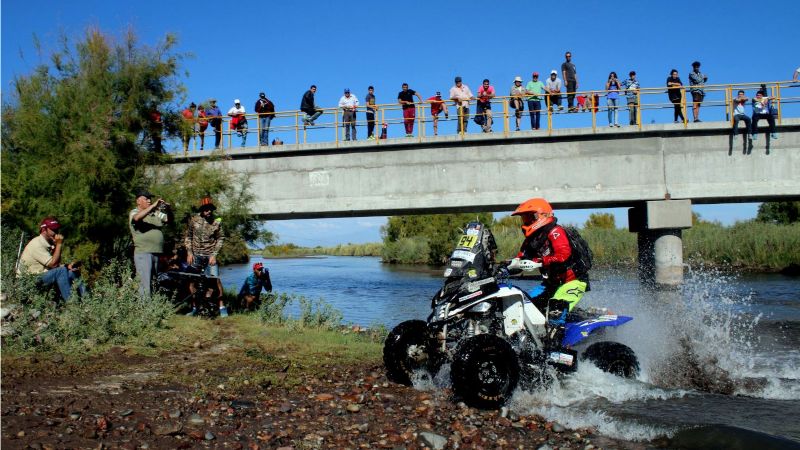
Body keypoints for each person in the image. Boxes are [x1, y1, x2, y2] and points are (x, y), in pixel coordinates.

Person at [507, 198, 589, 318]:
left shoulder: (555, 231)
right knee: (525, 305)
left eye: (529, 217)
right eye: (524, 218)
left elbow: (563, 255)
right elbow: (520, 259)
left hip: (572, 282)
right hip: (550, 284)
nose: (526, 221)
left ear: (541, 215)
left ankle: (571, 322)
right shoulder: (531, 240)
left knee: (555, 312)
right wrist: (505, 267)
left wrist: (540, 262)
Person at [17, 217, 87, 302]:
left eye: (57, 229)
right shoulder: (37, 244)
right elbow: (53, 265)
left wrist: (67, 266)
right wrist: (59, 244)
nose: (56, 232)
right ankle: (72, 304)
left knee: (72, 272)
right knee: (61, 271)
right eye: (53, 229)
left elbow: (54, 265)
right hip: (27, 280)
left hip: (39, 276)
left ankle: (87, 301)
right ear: (44, 230)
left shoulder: (48, 244)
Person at [185, 196, 227, 317]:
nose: (208, 211)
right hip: (196, 256)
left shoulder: (216, 222)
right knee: (192, 282)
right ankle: (195, 308)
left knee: (215, 281)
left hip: (210, 257)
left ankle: (221, 307)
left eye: (210, 209)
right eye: (206, 209)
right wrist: (189, 252)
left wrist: (214, 255)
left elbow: (221, 238)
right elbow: (188, 236)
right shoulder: (194, 220)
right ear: (202, 209)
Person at [129, 189, 169, 297]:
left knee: (154, 284)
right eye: (146, 199)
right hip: (144, 252)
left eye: (150, 199)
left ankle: (152, 306)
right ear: (138, 201)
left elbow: (167, 219)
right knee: (144, 285)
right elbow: (137, 218)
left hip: (156, 252)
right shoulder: (134, 212)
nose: (149, 201)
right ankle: (144, 306)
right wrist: (154, 206)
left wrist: (168, 209)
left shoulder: (155, 213)